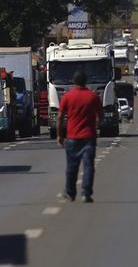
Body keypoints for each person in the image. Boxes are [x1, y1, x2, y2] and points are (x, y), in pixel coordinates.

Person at [57, 71, 102, 203]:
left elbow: (59, 117)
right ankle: (86, 193)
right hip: (89, 137)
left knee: (71, 166)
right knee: (88, 166)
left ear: (74, 82)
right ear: (85, 81)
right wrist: (96, 127)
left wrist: (60, 135)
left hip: (72, 137)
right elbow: (100, 115)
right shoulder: (93, 96)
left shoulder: (68, 96)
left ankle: (70, 192)